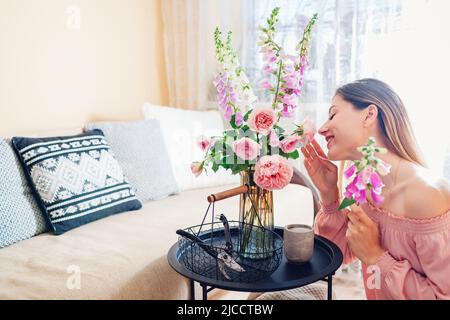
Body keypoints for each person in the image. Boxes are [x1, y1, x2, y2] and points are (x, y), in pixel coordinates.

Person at [301, 78, 450, 300]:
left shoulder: (427, 195)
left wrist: (376, 256)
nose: (322, 129)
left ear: (369, 114)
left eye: (333, 114)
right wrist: (329, 194)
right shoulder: (361, 184)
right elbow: (335, 256)